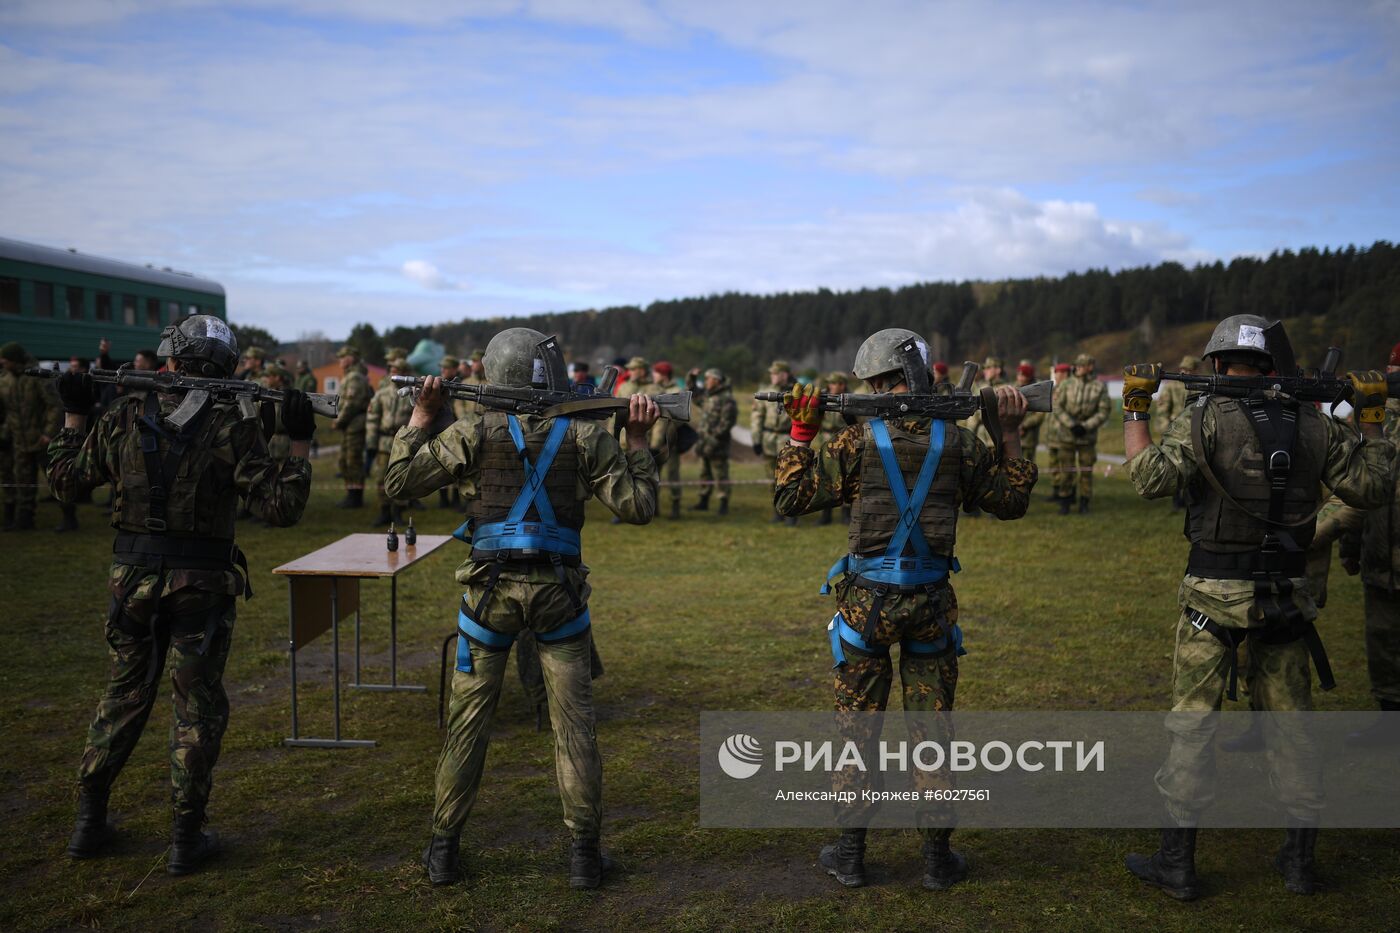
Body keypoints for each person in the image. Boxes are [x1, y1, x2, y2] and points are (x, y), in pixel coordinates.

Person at [1120, 315, 1393, 900]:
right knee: (1293, 726)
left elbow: (1148, 479)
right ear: (1273, 366)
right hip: (1285, 597)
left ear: (1217, 365)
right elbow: (1372, 490)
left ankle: (1179, 863)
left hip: (1211, 597)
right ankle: (1298, 862)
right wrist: (1373, 421)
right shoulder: (1315, 426)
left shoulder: (1206, 418)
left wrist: (1137, 410)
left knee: (1193, 725)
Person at [382, 327, 659, 890]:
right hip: (560, 599)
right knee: (575, 730)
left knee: (467, 729)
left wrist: (419, 419)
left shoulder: (469, 431)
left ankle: (443, 853)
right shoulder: (585, 435)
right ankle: (584, 856)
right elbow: (638, 506)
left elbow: (398, 483)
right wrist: (636, 440)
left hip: (488, 598)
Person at [46, 315, 313, 875]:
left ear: (170, 356)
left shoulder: (124, 413)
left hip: (133, 583)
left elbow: (66, 482)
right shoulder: (232, 425)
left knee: (122, 697)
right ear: (227, 365)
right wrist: (298, 442)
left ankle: (88, 822)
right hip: (200, 587)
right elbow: (281, 508)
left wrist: (72, 416)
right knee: (196, 710)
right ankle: (184, 838)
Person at [774, 328, 1037, 891]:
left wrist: (800, 434)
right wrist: (1009, 436)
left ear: (882, 383)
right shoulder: (960, 442)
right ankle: (937, 860)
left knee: (854, 732)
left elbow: (790, 499)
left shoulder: (857, 443)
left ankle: (849, 855)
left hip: (866, 609)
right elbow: (1011, 502)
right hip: (932, 607)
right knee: (933, 732)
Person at [1308, 341, 1400, 746]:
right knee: (1383, 645)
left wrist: (1306, 535)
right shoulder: (1375, 417)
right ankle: (1388, 721)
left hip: (1383, 552)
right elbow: (1355, 489)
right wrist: (1350, 548)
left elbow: (1352, 500)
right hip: (1380, 557)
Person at [0, 342, 60, 532]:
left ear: (15, 360)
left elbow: (54, 406)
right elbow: (10, 412)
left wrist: (48, 434)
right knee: (23, 479)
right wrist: (6, 434)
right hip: (20, 440)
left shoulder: (37, 377)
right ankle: (24, 520)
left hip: (42, 440)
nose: (2, 362)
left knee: (56, 479)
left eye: (5, 359)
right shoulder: (5, 380)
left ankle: (69, 516)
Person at [1049, 353, 1110, 514]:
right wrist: (1071, 424)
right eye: (1077, 365)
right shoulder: (1066, 385)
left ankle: (1084, 502)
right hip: (1066, 435)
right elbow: (1057, 406)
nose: (1079, 368)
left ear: (1090, 367)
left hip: (1087, 437)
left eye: (1083, 365)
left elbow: (1103, 411)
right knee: (1066, 470)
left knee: (1086, 471)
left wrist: (1086, 426)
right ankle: (1065, 501)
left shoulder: (1099, 387)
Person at [366, 357, 416, 526]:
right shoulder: (382, 394)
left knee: (402, 477)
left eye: (397, 370)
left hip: (404, 443)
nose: (393, 372)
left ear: (405, 373)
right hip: (384, 441)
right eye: (392, 370)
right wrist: (371, 443)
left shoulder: (413, 394)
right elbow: (373, 418)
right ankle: (384, 511)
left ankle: (398, 512)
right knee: (381, 477)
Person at [688, 367, 737, 516]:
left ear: (716, 380)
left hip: (718, 444)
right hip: (704, 442)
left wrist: (714, 440)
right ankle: (703, 501)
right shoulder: (708, 396)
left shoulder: (726, 398)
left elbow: (726, 423)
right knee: (704, 473)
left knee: (720, 474)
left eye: (708, 379)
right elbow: (693, 393)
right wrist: (692, 377)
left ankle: (723, 503)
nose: (706, 381)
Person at [1154, 355, 1199, 510]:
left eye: (1189, 370)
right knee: (1174, 467)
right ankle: (1175, 499)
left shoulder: (1199, 386)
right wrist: (1167, 433)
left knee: (1192, 469)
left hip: (1193, 433)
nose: (1185, 372)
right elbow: (1162, 410)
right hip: (1174, 432)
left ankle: (1189, 499)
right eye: (1183, 369)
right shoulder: (1171, 386)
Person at [752, 360, 795, 524]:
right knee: (772, 478)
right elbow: (757, 418)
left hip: (788, 441)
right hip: (769, 440)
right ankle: (777, 511)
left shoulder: (795, 392)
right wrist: (756, 440)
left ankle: (791, 513)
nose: (773, 376)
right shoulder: (765, 393)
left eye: (776, 373)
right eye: (771, 373)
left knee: (790, 478)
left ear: (785, 374)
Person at [816, 371, 857, 526]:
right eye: (830, 383)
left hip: (844, 441)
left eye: (835, 383)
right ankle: (826, 514)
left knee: (845, 478)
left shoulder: (851, 399)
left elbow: (855, 423)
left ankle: (846, 513)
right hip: (826, 441)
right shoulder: (824, 398)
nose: (831, 386)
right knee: (826, 478)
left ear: (842, 384)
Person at [333, 346, 371, 509]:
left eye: (343, 357)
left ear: (351, 358)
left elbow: (351, 403)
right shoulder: (351, 376)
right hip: (350, 424)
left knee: (353, 460)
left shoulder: (355, 377)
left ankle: (355, 498)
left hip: (355, 423)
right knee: (345, 461)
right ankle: (350, 495)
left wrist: (339, 420)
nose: (340, 361)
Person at [651, 361, 684, 519]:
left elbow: (680, 418)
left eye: (656, 373)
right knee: (653, 476)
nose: (653, 375)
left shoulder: (677, 392)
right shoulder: (653, 390)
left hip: (670, 441)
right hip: (652, 442)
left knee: (672, 475)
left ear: (663, 374)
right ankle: (654, 508)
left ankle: (675, 506)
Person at [1015, 363, 1044, 466]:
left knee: (1027, 467)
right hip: (1013, 435)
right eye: (1018, 374)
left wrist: (1024, 426)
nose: (1019, 377)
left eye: (1023, 375)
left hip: (1028, 437)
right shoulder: (1013, 389)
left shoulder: (1037, 391)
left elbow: (1039, 415)